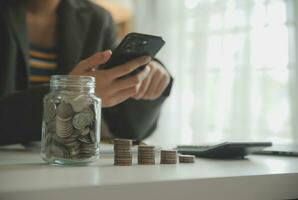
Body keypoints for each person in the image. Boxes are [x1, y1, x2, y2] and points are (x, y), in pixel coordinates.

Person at [0, 0, 172, 145]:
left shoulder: (97, 20)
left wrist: (145, 78)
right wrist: (69, 96)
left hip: (69, 167)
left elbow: (128, 131)